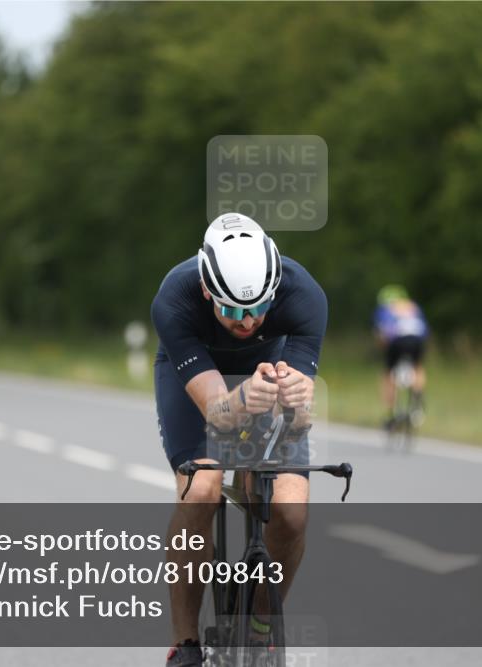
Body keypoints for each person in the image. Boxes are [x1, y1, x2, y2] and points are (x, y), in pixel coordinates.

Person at [151, 213, 327, 667]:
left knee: (288, 509)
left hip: (265, 372)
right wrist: (244, 398)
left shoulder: (304, 295)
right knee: (203, 488)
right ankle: (185, 643)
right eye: (231, 310)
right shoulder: (175, 299)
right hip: (196, 376)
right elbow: (217, 413)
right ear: (208, 291)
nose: (247, 322)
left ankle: (261, 625)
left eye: (257, 309)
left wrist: (299, 395)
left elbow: (298, 416)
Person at [373, 284, 428, 426]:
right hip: (417, 340)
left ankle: (391, 414)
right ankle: (417, 399)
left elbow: (382, 335)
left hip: (397, 341)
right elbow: (424, 330)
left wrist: (385, 350)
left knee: (388, 374)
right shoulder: (413, 306)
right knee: (417, 366)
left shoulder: (384, 309)